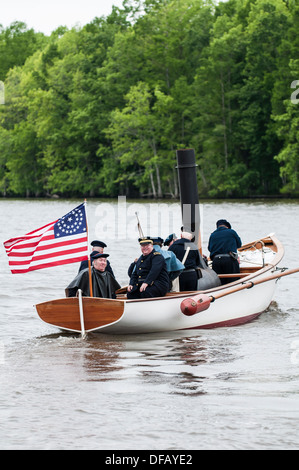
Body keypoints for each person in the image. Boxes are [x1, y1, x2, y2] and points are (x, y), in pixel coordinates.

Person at [208, 219, 242, 284]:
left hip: (216, 261)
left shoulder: (212, 235)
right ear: (227, 226)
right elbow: (239, 244)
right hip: (229, 260)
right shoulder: (231, 232)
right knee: (234, 282)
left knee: (219, 283)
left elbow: (210, 249)